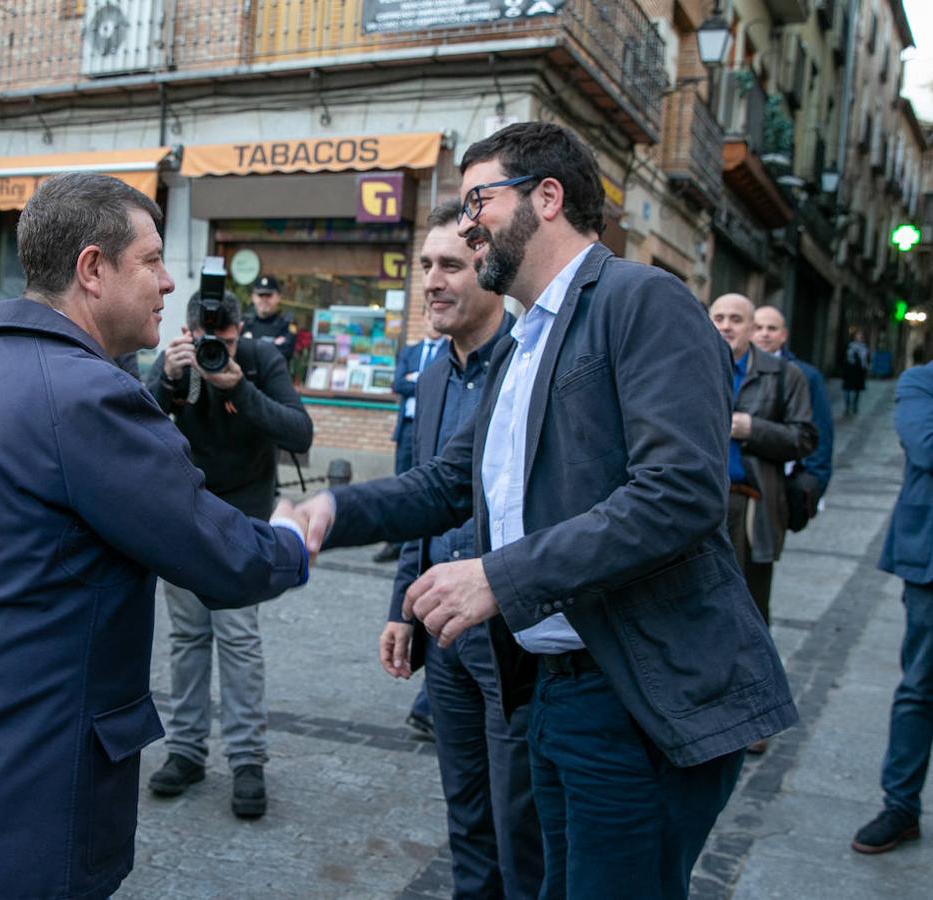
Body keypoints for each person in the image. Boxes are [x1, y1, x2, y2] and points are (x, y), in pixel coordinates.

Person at [276, 122, 798, 899]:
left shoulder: (642, 300)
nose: (465, 223)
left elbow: (680, 494)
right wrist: (328, 511)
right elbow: (449, 484)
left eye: (478, 200)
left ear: (547, 198)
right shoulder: (527, 341)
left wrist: (499, 576)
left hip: (638, 694)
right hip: (554, 689)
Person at [0, 173, 310, 900]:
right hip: (35, 801)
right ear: (93, 270)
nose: (168, 280)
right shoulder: (91, 396)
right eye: (151, 260)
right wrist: (297, 535)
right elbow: (222, 558)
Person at [381, 200, 540, 897]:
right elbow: (423, 497)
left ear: (487, 267)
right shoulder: (435, 372)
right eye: (425, 266)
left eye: (450, 265)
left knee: (519, 818)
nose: (432, 282)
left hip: (510, 629)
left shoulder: (532, 362)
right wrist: (402, 607)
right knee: (466, 812)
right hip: (444, 631)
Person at [144, 290, 313, 818]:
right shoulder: (176, 362)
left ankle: (246, 761)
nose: (220, 348)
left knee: (238, 639)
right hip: (186, 516)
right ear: (189, 335)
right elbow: (128, 425)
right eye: (209, 341)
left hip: (243, 521)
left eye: (230, 340)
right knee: (188, 638)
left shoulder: (262, 359)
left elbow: (299, 431)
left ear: (242, 332)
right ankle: (187, 751)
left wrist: (240, 385)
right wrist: (167, 380)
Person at [852, 357, 933, 854]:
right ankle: (901, 806)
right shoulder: (920, 381)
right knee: (920, 688)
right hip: (930, 564)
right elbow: (926, 447)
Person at [709, 293, 817, 634]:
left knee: (748, 609)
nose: (726, 326)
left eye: (736, 319)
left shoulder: (785, 375)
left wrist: (752, 429)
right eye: (719, 318)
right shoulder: (692, 364)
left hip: (752, 504)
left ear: (752, 328)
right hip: (698, 499)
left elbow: (804, 438)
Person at [375, 321, 447, 570]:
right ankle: (397, 542)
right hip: (407, 427)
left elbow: (440, 383)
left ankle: (422, 540)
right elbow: (397, 384)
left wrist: (415, 379)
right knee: (402, 482)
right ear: (425, 319)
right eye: (429, 317)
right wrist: (420, 380)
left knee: (427, 482)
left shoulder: (450, 350)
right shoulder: (410, 351)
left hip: (432, 425)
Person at [753, 305, 834, 497]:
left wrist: (814, 482)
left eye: (771, 329)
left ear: (783, 335)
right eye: (758, 328)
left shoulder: (805, 375)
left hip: (783, 479)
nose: (764, 334)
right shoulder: (730, 367)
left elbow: (820, 429)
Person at [241, 274, 297, 362]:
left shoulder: (286, 324)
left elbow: (284, 353)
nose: (264, 299)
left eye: (269, 295)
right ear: (253, 297)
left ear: (278, 297)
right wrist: (272, 344)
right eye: (260, 295)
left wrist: (251, 344)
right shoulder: (244, 323)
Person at [843, 328, 870, 415]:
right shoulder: (850, 346)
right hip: (850, 371)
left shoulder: (864, 348)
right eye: (858, 336)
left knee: (857, 391)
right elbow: (846, 358)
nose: (859, 338)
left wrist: (866, 368)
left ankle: (855, 406)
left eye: (861, 336)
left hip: (859, 372)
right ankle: (847, 406)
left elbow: (866, 360)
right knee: (847, 390)